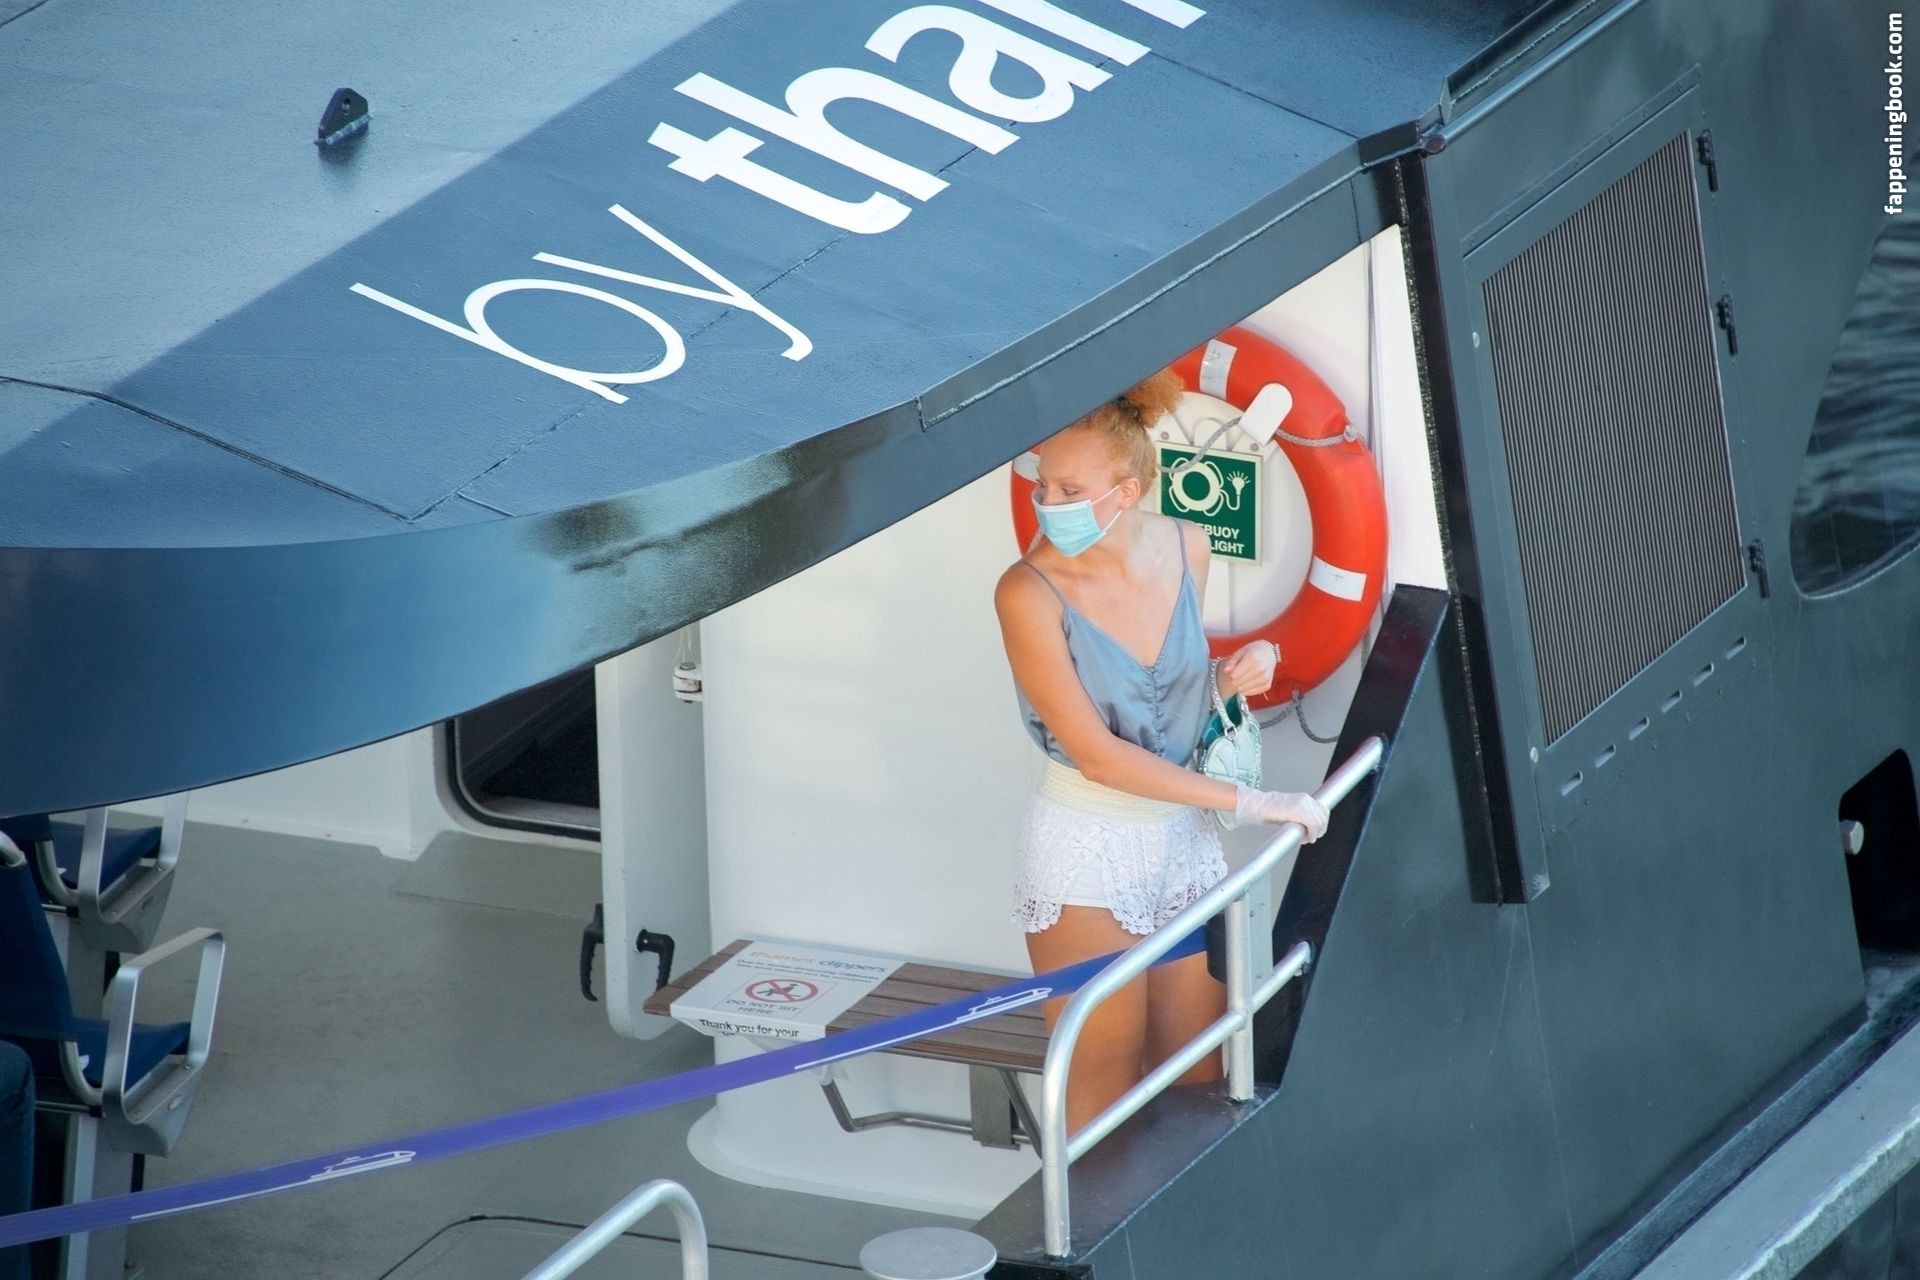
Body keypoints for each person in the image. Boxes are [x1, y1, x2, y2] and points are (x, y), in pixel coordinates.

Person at [993, 367, 1331, 1136]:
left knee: (1198, 1075)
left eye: (1070, 491)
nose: (1049, 504)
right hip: (1087, 852)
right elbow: (1101, 756)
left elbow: (1166, 697)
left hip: (1180, 841)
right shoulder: (1026, 592)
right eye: (1044, 487)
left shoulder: (1188, 545)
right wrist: (1253, 803)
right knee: (1102, 1092)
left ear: (1129, 489)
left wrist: (1231, 677)